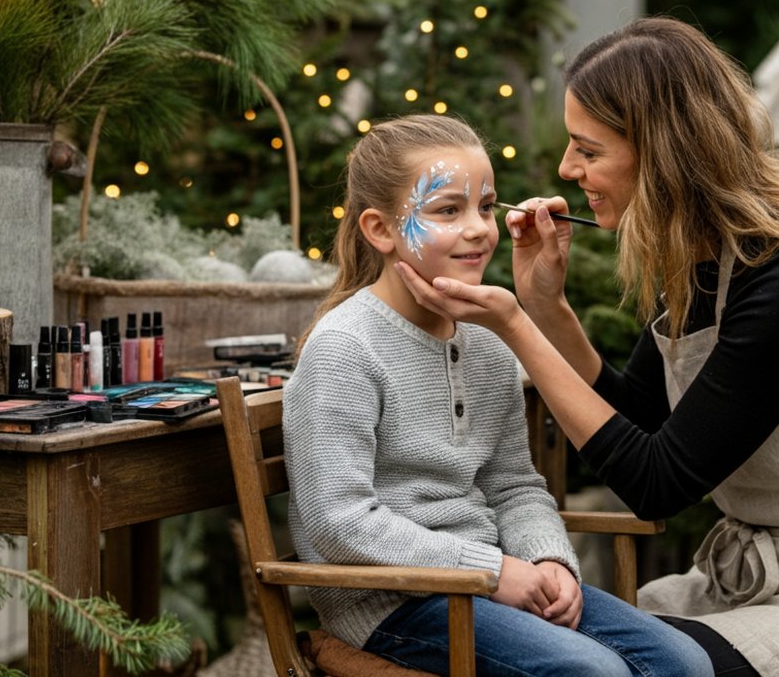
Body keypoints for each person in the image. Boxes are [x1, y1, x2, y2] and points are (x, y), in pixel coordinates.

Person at [395, 18, 779, 676]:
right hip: (760, 585)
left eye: (588, 150)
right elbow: (640, 417)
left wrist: (517, 329)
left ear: (662, 152)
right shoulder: (706, 260)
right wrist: (547, 307)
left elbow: (656, 483)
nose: (566, 169)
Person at [284, 113, 714, 677]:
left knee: (685, 662)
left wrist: (547, 559)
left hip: (493, 582)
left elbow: (512, 485)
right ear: (380, 230)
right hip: (393, 602)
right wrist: (493, 570)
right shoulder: (345, 347)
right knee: (596, 673)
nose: (478, 229)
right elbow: (337, 520)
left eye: (485, 207)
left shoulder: (488, 343)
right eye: (447, 210)